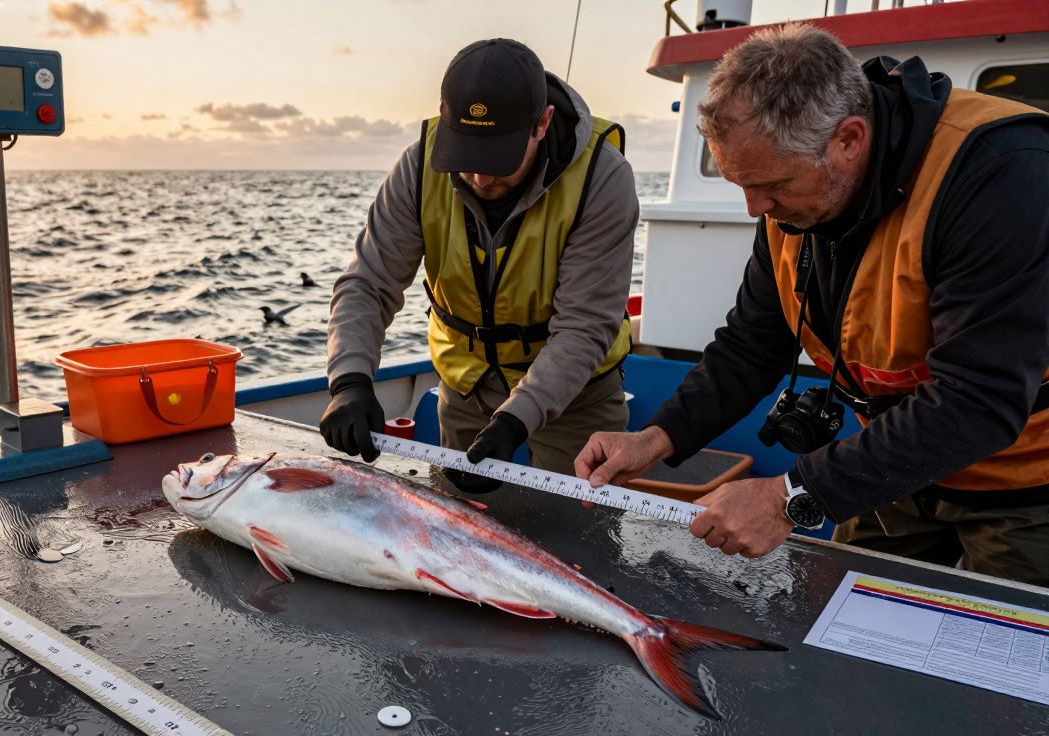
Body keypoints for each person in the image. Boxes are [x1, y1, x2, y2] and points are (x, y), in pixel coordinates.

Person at [576, 23, 1049, 585]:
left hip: (1026, 483)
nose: (755, 208)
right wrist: (654, 439)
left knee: (1008, 659)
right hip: (898, 463)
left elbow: (979, 399)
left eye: (772, 184)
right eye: (740, 185)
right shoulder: (791, 197)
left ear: (848, 139)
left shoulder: (1003, 172)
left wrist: (788, 496)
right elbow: (754, 342)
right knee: (836, 619)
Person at [322, 38, 638, 491]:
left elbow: (585, 327)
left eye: (498, 158)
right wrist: (349, 380)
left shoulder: (603, 179)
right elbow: (368, 283)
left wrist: (515, 420)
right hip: (466, 389)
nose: (481, 177)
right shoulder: (416, 168)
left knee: (578, 538)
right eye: (467, 156)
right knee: (457, 539)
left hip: (578, 397)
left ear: (543, 123)